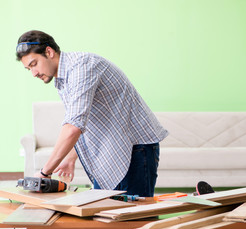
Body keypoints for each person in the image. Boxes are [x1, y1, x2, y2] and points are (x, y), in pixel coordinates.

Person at [16, 30, 168, 197]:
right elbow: (85, 120)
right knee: (105, 214)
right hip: (112, 149)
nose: (34, 73)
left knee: (134, 219)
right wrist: (71, 157)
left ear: (49, 52)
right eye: (28, 69)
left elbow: (73, 127)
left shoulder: (81, 68)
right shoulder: (63, 78)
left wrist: (45, 173)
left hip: (135, 149)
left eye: (34, 64)